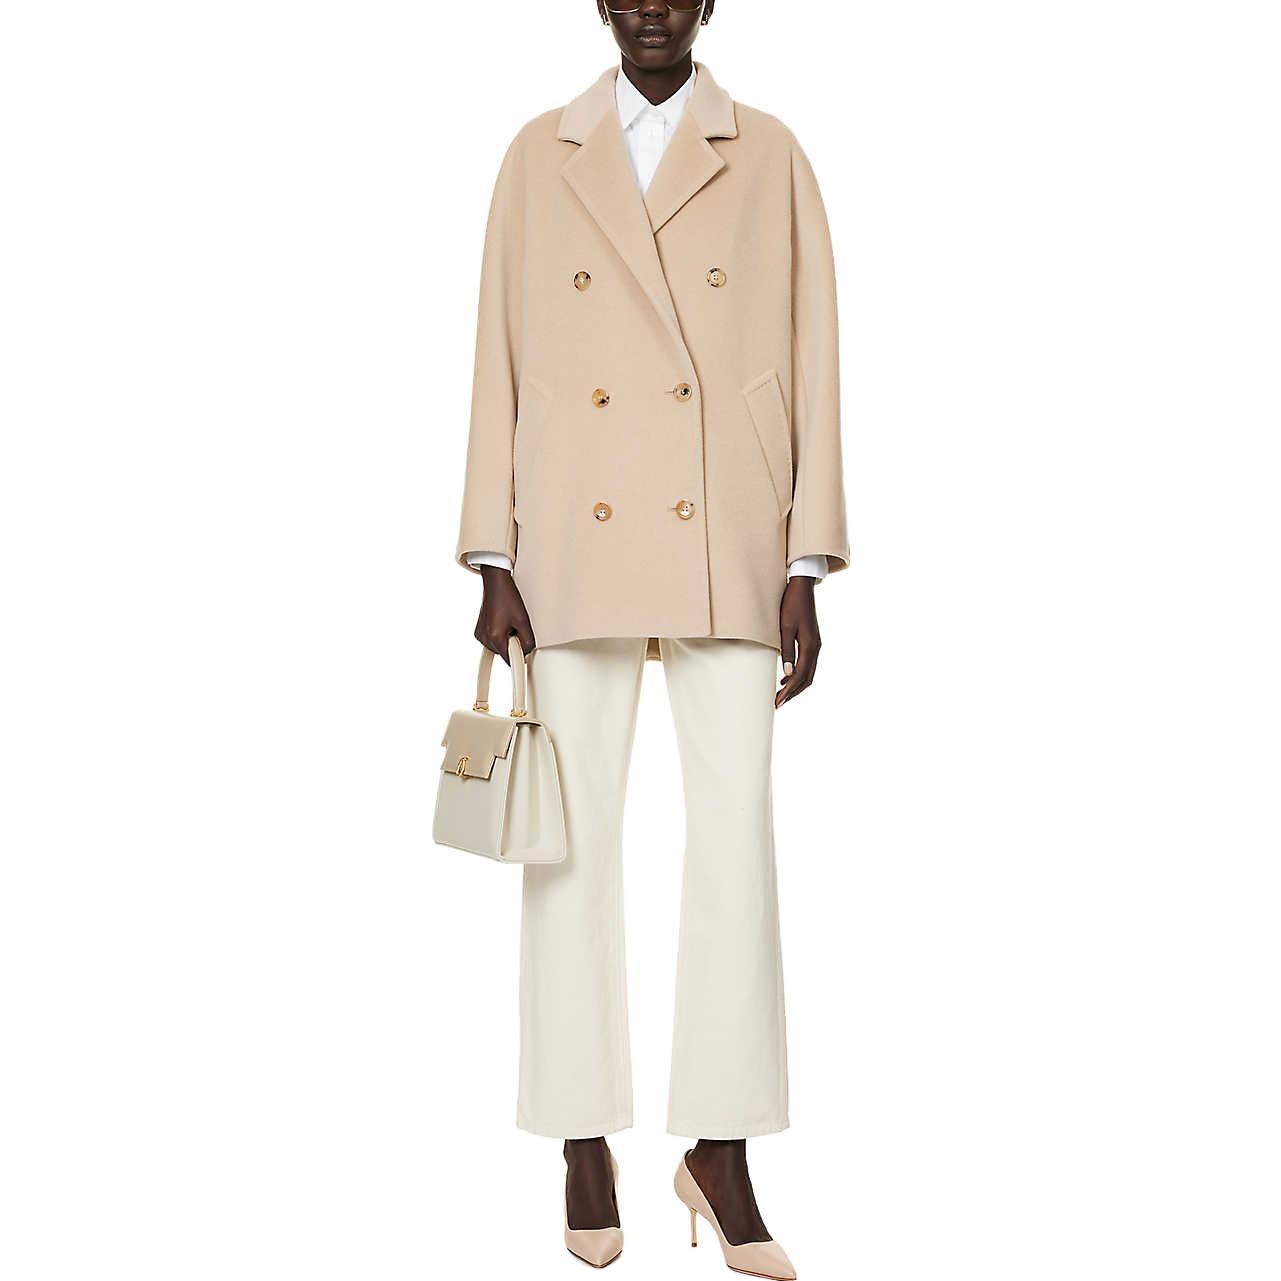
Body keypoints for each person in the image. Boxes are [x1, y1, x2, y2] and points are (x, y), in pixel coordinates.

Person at [454, 2, 847, 1274]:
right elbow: (498, 357)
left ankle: (721, 1148)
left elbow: (815, 356)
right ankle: (582, 1135)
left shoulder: (769, 151)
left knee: (735, 841)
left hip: (730, 523)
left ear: (710, 2)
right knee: (568, 846)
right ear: (601, 4)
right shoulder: (539, 153)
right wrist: (493, 550)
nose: (654, 14)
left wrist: (806, 558)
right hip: (572, 521)